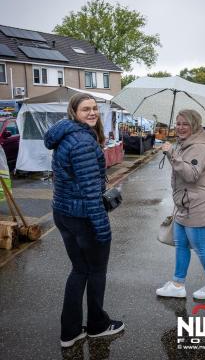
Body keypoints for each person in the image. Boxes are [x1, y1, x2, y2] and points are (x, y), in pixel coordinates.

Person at [44, 93, 124, 348]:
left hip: (64, 211)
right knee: (96, 270)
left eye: (94, 109)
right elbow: (90, 192)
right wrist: (102, 228)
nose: (92, 113)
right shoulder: (82, 142)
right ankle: (98, 326)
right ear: (74, 112)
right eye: (85, 109)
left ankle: (70, 331)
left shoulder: (66, 135)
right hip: (82, 216)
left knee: (79, 270)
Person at [156, 109, 205, 300]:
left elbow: (191, 175)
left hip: (198, 204)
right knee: (181, 245)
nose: (180, 127)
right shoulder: (185, 144)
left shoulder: (199, 147)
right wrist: (172, 152)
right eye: (178, 123)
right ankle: (178, 284)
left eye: (185, 123)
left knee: (201, 247)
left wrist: (172, 154)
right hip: (184, 203)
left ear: (195, 125)